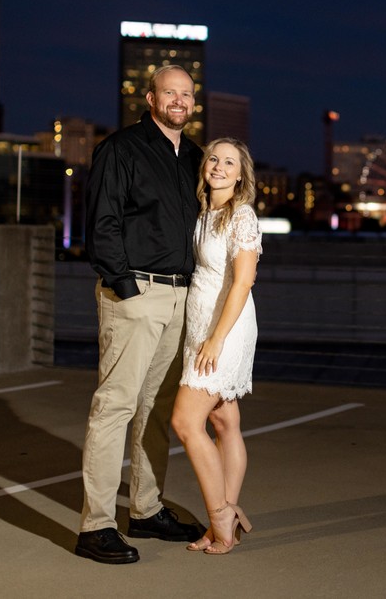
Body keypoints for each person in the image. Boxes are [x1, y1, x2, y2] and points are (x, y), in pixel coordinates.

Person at [76, 65, 204, 564]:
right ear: (150, 98)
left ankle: (146, 510)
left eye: (186, 94)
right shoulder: (120, 149)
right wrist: (126, 288)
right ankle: (96, 526)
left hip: (180, 297)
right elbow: (102, 223)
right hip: (136, 294)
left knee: (157, 409)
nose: (179, 101)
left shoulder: (194, 157)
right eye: (170, 92)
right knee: (115, 406)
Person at [171, 137, 260, 555]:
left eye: (229, 162)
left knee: (186, 422)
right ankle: (223, 519)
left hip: (225, 329)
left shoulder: (242, 216)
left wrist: (216, 340)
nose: (218, 167)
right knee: (224, 422)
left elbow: (243, 282)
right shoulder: (206, 213)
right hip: (202, 324)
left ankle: (221, 515)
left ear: (241, 175)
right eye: (213, 159)